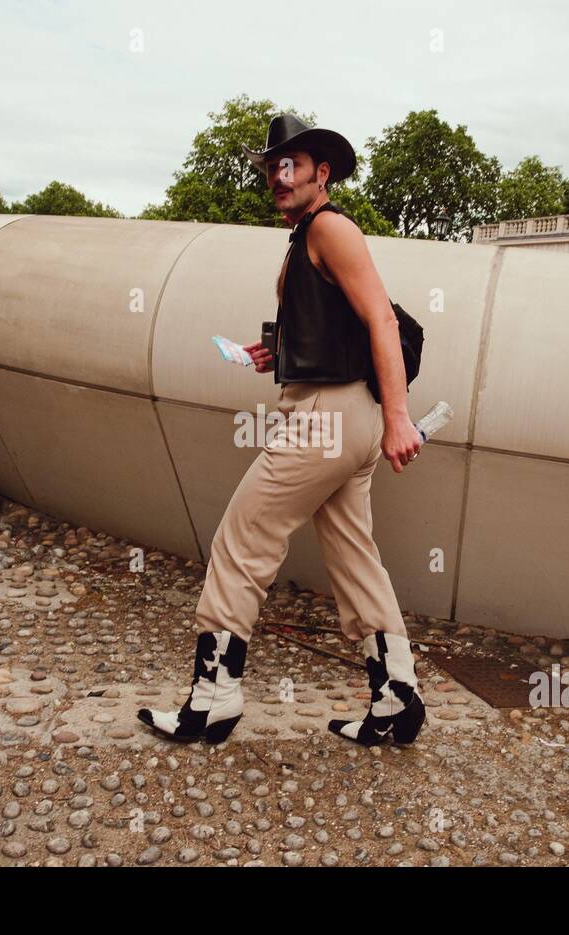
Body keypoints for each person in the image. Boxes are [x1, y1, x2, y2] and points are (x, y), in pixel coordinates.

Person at [137, 114, 427, 747]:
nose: (278, 174)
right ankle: (396, 699)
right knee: (354, 554)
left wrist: (399, 416)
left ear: (321, 173)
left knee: (242, 539)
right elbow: (337, 327)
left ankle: (213, 699)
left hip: (329, 419)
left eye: (290, 164)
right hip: (343, 417)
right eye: (271, 165)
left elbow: (380, 319)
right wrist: (278, 351)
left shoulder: (329, 228)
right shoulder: (305, 241)